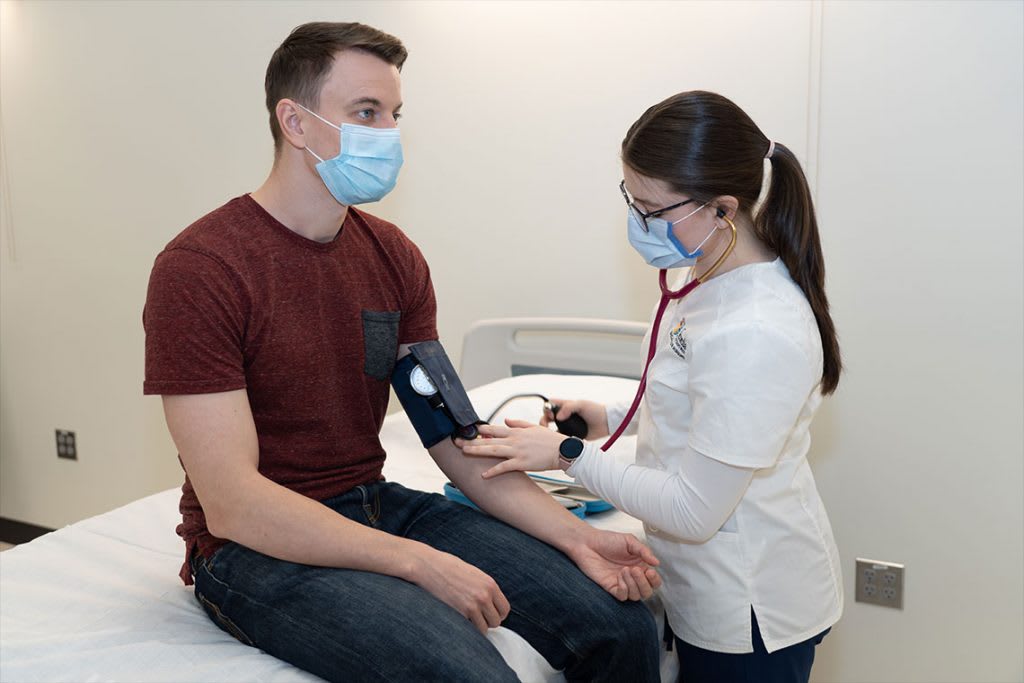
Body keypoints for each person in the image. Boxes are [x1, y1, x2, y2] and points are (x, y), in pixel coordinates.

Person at [143, 21, 663, 683]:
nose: (387, 132)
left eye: (394, 114)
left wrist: (576, 536)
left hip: (376, 502)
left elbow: (455, 440)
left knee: (620, 629)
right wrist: (416, 561)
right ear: (294, 122)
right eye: (366, 112)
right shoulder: (203, 268)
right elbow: (234, 502)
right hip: (253, 548)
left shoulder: (392, 256)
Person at [457, 90, 844, 683]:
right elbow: (688, 395)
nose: (637, 222)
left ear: (722, 208)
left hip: (751, 609)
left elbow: (693, 511)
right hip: (703, 585)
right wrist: (607, 415)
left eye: (652, 208)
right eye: (631, 200)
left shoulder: (760, 329)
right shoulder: (709, 271)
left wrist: (567, 455)